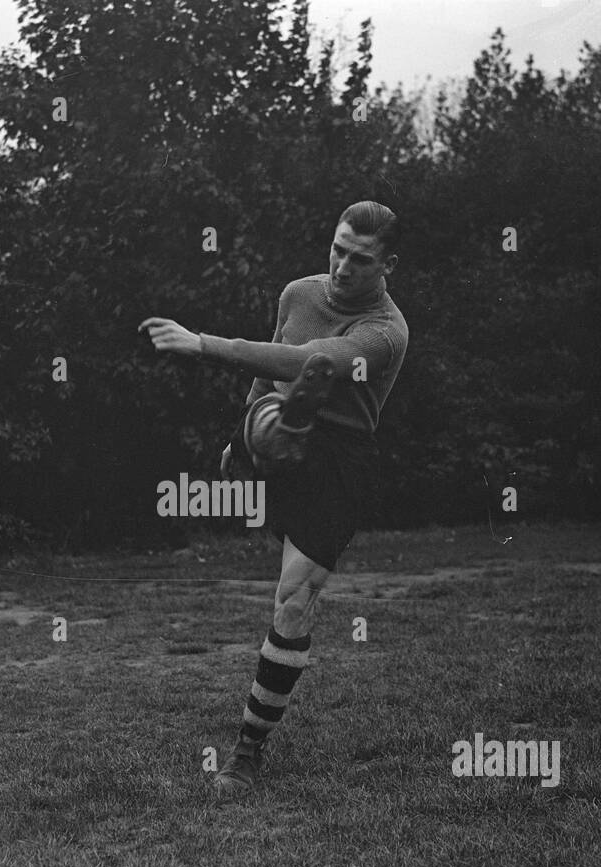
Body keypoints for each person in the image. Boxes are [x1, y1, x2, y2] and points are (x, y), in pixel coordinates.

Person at [140, 200, 409, 795]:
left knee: (293, 599)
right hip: (280, 429)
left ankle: (246, 753)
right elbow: (272, 360)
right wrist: (240, 436)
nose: (342, 267)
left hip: (339, 460)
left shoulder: (385, 332)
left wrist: (204, 344)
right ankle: (276, 426)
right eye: (337, 249)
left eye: (360, 260)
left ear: (387, 264)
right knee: (275, 408)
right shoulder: (298, 294)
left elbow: (309, 360)